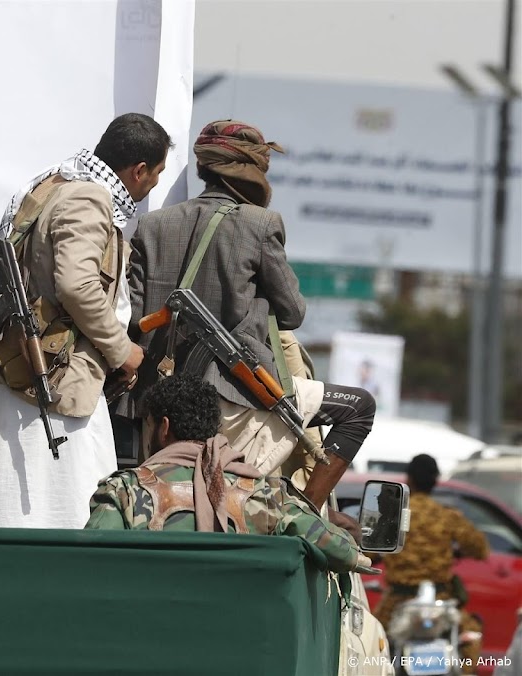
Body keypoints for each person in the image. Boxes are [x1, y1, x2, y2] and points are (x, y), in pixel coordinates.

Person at [127, 119, 375, 509]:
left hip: (160, 402)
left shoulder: (152, 225)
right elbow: (293, 312)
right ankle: (308, 515)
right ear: (253, 172)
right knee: (358, 407)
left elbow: (135, 317)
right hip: (238, 394)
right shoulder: (260, 224)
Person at [0, 113, 171, 529]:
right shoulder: (89, 198)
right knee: (67, 515)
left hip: (30, 378)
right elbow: (77, 285)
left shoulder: (53, 184)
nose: (152, 186)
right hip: (51, 391)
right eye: (155, 175)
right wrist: (123, 352)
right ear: (138, 170)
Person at [85, 374, 363, 572]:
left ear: (164, 427)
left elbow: (87, 562)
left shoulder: (123, 491)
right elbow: (344, 553)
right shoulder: (266, 496)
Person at [373, 454, 487, 673]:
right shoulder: (448, 516)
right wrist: (458, 550)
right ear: (435, 481)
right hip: (440, 602)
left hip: (397, 604)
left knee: (371, 644)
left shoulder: (394, 515)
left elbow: (371, 551)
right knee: (470, 636)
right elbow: (480, 549)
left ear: (409, 480)